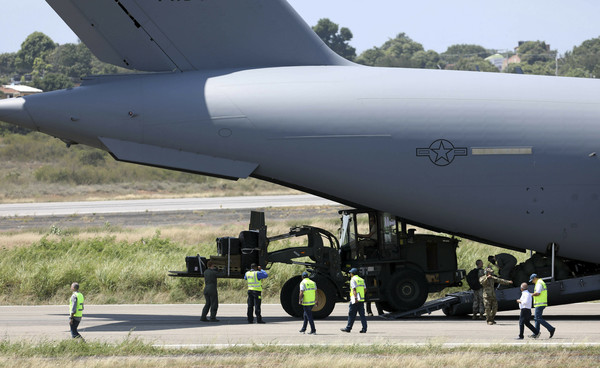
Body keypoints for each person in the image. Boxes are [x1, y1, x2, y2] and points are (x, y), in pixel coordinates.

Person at [340, 268, 367, 333]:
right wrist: (361, 295)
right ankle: (364, 328)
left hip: (355, 299)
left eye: (350, 273)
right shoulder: (361, 280)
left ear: (352, 273)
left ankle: (348, 328)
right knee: (362, 315)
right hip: (361, 299)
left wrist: (355, 298)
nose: (350, 274)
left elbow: (354, 289)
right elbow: (365, 289)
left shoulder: (353, 280)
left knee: (351, 314)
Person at [529, 273, 556, 338]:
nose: (532, 282)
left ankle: (551, 329)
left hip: (540, 303)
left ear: (535, 278)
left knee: (537, 318)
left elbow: (538, 293)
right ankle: (536, 333)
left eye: (532, 280)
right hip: (540, 303)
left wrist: (530, 294)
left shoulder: (539, 283)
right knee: (537, 319)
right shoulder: (540, 282)